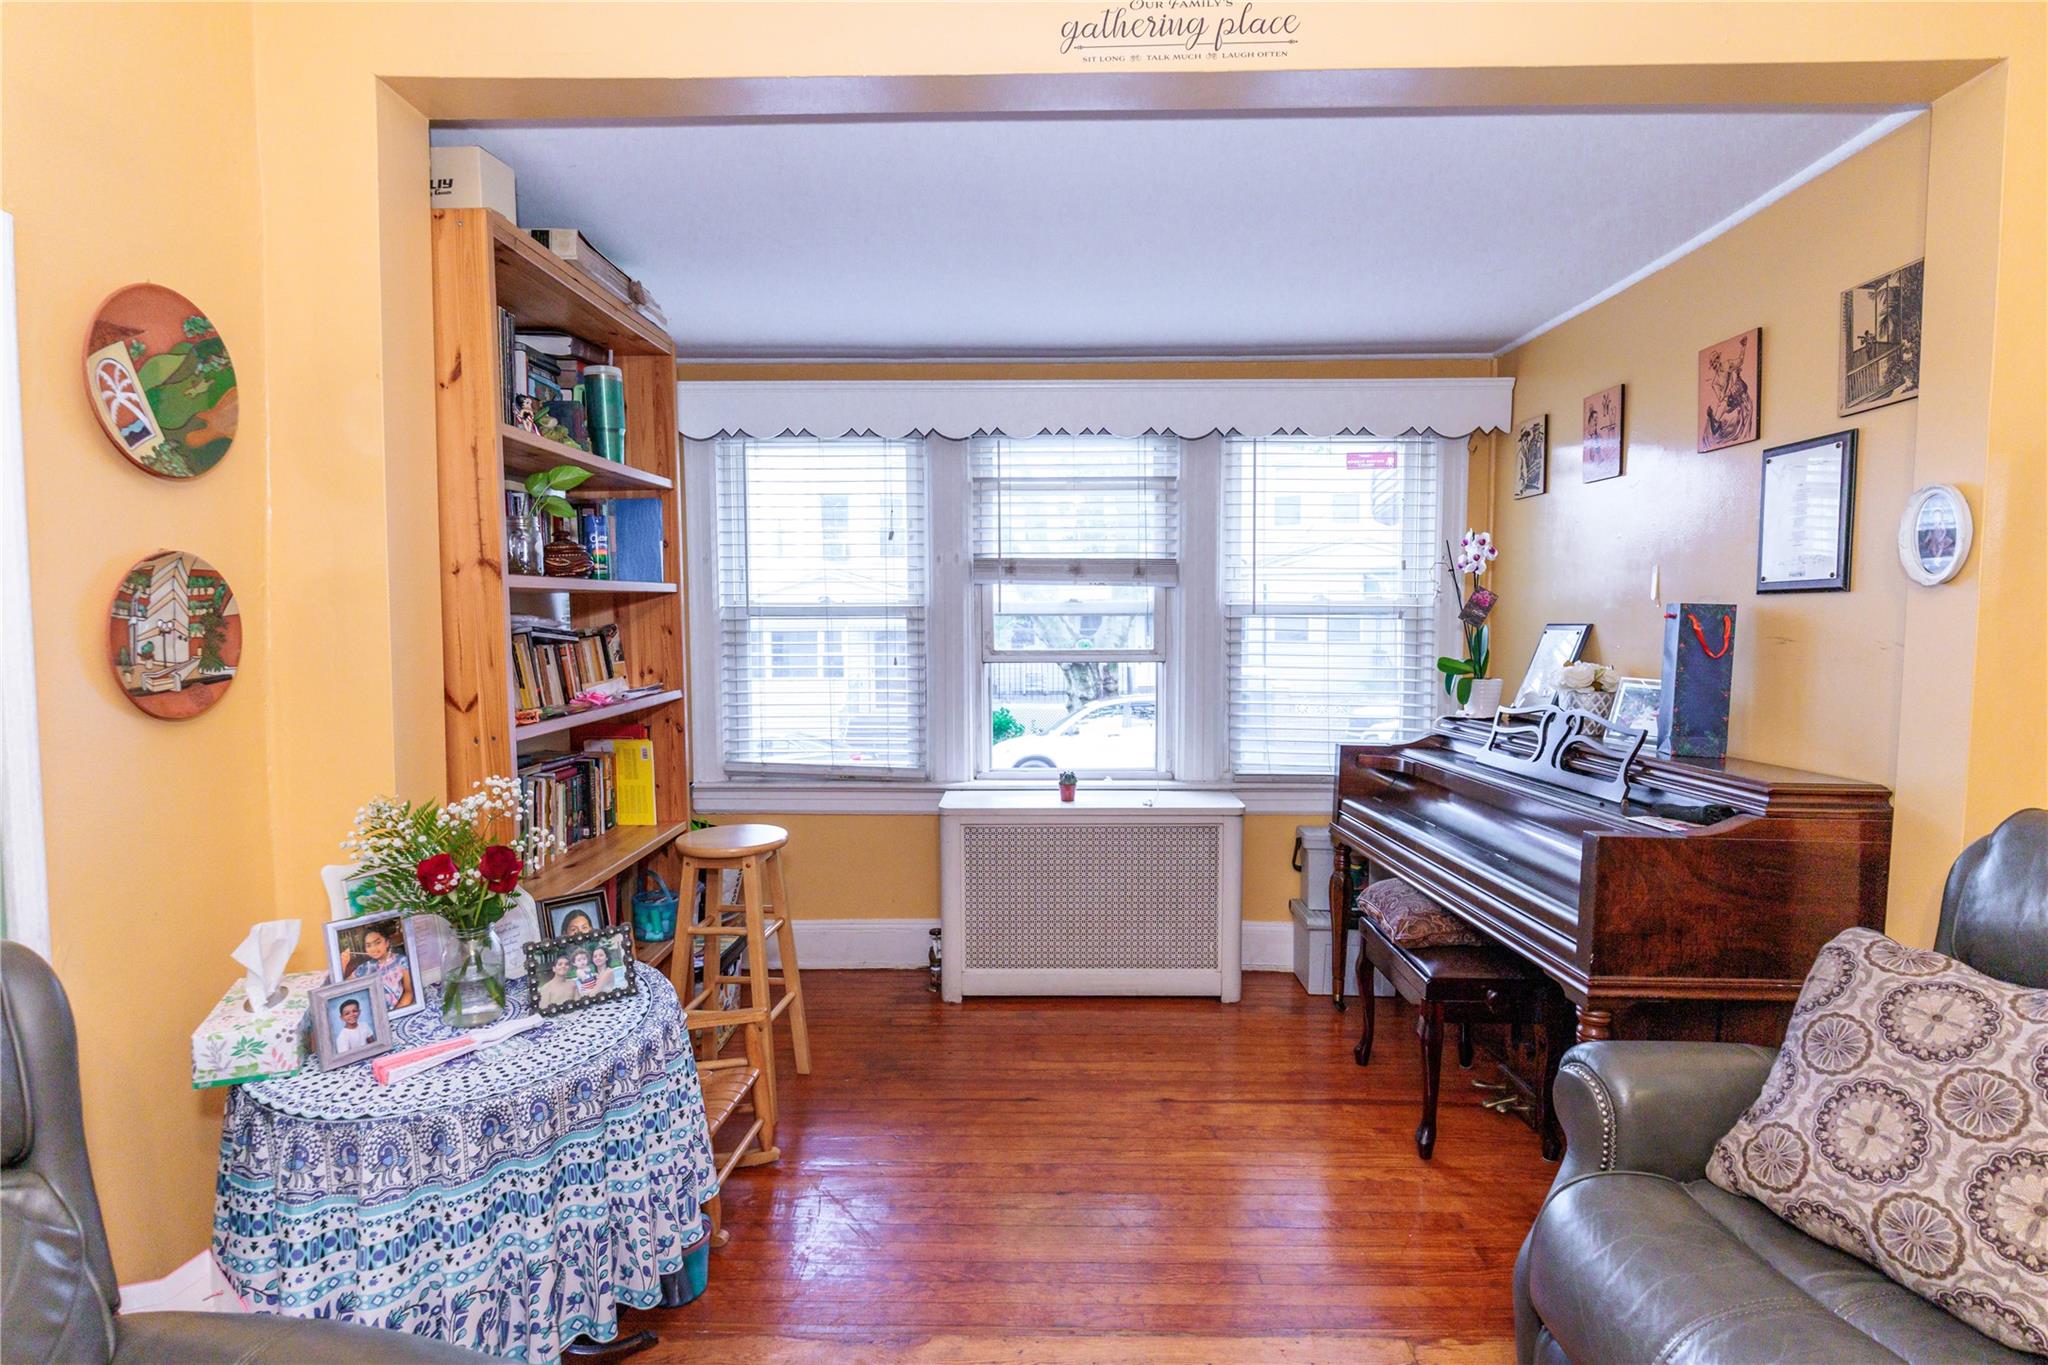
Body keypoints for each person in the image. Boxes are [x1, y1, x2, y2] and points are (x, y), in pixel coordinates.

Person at [344, 925, 415, 1012]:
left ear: (387, 943)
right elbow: (344, 987)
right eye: (368, 945)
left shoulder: (401, 961)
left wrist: (396, 1012)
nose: (373, 949)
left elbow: (409, 992)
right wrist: (343, 965)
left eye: (377, 943)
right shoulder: (365, 967)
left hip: (396, 1011)